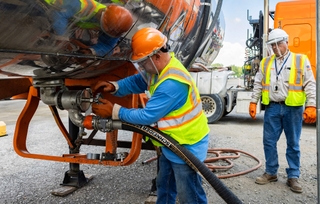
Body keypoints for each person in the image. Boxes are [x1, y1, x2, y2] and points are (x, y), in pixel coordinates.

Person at [92, 27, 210, 203]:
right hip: (170, 143)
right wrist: (115, 86)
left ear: (156, 56)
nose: (140, 66)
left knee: (189, 195)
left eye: (142, 62)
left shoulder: (172, 83)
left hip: (186, 145)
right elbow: (139, 80)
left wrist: (114, 111)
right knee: (165, 184)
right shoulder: (159, 69)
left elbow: (147, 116)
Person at [249, 28, 316, 193]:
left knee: (293, 143)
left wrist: (311, 105)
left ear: (287, 41)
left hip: (292, 109)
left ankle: (293, 175)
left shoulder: (300, 60)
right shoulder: (266, 62)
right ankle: (271, 172)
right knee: (269, 142)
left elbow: (310, 83)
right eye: (273, 45)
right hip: (272, 107)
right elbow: (258, 82)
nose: (276, 47)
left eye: (278, 43)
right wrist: (253, 101)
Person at [43, 0, 133, 56]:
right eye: (105, 29)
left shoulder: (114, 24)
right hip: (42, 4)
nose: (104, 31)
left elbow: (107, 45)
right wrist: (63, 39)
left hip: (58, 15)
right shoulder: (81, 5)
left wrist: (91, 51)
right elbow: (58, 15)